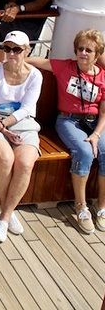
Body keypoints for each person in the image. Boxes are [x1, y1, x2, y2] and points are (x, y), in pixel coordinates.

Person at [26, 29, 105, 234]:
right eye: (80, 48)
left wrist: (96, 134)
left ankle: (102, 206)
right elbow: (41, 62)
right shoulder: (65, 67)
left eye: (89, 50)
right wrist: (18, 57)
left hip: (95, 123)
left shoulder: (103, 77)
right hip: (68, 120)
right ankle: (81, 207)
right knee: (85, 152)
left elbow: (104, 113)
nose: (83, 53)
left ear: (97, 55)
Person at [0, 31, 43, 242]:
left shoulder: (35, 76)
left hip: (22, 123)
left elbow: (27, 109)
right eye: (7, 48)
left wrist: (3, 126)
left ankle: (5, 216)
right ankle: (9, 213)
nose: (11, 53)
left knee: (25, 163)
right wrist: (1, 127)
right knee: (5, 159)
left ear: (27, 50)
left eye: (16, 49)